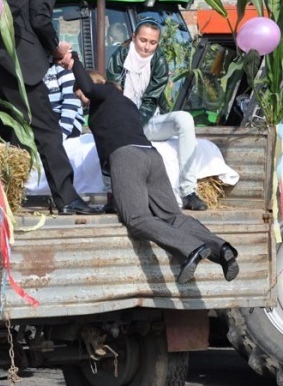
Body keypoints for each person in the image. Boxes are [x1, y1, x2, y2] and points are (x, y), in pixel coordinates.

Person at [72, 59, 238, 284]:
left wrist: (73, 60)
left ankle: (190, 250)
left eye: (79, 94)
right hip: (152, 157)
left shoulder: (101, 96)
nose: (81, 99)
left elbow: (107, 152)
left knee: (137, 218)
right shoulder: (126, 102)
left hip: (128, 157)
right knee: (173, 216)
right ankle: (222, 250)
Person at [0, 0, 100, 215]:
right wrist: (56, 49)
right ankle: (67, 198)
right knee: (48, 131)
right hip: (22, 68)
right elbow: (40, 19)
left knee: (6, 130)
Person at [106, 19, 207, 210]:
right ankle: (114, 195)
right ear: (134, 37)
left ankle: (188, 192)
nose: (146, 47)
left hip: (146, 120)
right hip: (121, 120)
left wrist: (135, 126)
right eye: (143, 40)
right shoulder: (119, 57)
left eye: (152, 43)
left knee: (185, 119)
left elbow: (150, 101)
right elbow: (112, 92)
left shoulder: (159, 61)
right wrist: (124, 124)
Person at [43, 63, 83, 139]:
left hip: (67, 122)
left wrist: (62, 133)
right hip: (46, 120)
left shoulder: (63, 68)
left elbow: (71, 102)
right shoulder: (32, 70)